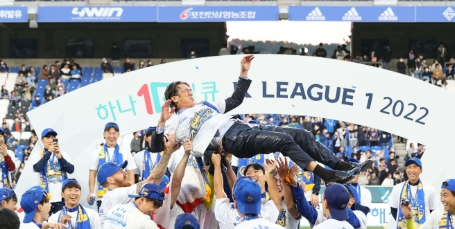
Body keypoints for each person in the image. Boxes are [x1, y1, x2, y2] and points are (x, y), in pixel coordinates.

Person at [150, 56, 365, 185]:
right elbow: (158, 147)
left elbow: (236, 99)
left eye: (190, 89)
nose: (190, 92)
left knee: (301, 134)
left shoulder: (205, 105)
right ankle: (327, 175)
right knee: (284, 141)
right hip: (233, 139)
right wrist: (161, 121)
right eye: (185, 91)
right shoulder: (174, 122)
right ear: (174, 99)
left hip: (246, 129)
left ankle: (341, 165)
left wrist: (243, 73)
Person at [390, 157, 439, 229]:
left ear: (421, 170)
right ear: (406, 170)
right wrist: (405, 222)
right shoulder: (397, 188)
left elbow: (432, 212)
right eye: (409, 167)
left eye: (415, 167)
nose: (411, 170)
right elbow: (394, 210)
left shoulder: (429, 189)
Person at [88, 122, 134, 207]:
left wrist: (131, 191)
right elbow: (92, 173)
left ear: (118, 134)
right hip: (102, 195)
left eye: (114, 133)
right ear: (104, 134)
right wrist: (91, 192)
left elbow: (130, 172)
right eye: (109, 133)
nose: (111, 136)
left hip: (122, 194)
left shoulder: (126, 152)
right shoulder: (96, 152)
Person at [33, 128, 75, 214]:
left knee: (61, 223)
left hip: (61, 197)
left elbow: (71, 170)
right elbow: (37, 168)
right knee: (48, 224)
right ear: (42, 140)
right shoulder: (37, 155)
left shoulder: (63, 154)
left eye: (53, 138)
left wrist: (60, 157)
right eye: (48, 137)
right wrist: (49, 152)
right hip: (46, 197)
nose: (50, 140)